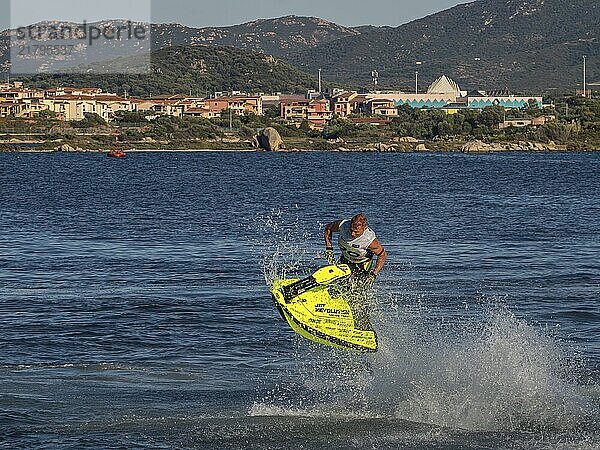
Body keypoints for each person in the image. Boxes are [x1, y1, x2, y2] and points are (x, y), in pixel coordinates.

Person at [323, 213, 387, 286]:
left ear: (364, 228)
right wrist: (329, 248)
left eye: (356, 232)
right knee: (341, 282)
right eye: (351, 230)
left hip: (363, 263)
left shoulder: (369, 240)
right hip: (345, 258)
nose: (352, 234)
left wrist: (374, 274)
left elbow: (383, 255)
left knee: (358, 287)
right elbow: (328, 228)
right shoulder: (343, 225)